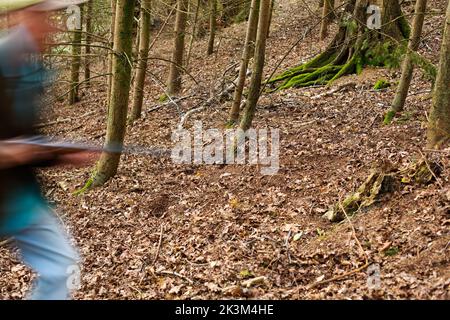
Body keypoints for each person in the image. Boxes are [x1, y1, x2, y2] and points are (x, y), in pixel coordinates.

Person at [0, 0, 90, 300]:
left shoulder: (32, 67)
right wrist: (10, 152)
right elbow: (16, 146)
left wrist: (62, 155)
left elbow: (29, 139)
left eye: (56, 17)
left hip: (19, 198)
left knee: (62, 267)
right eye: (46, 17)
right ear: (24, 15)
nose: (55, 26)